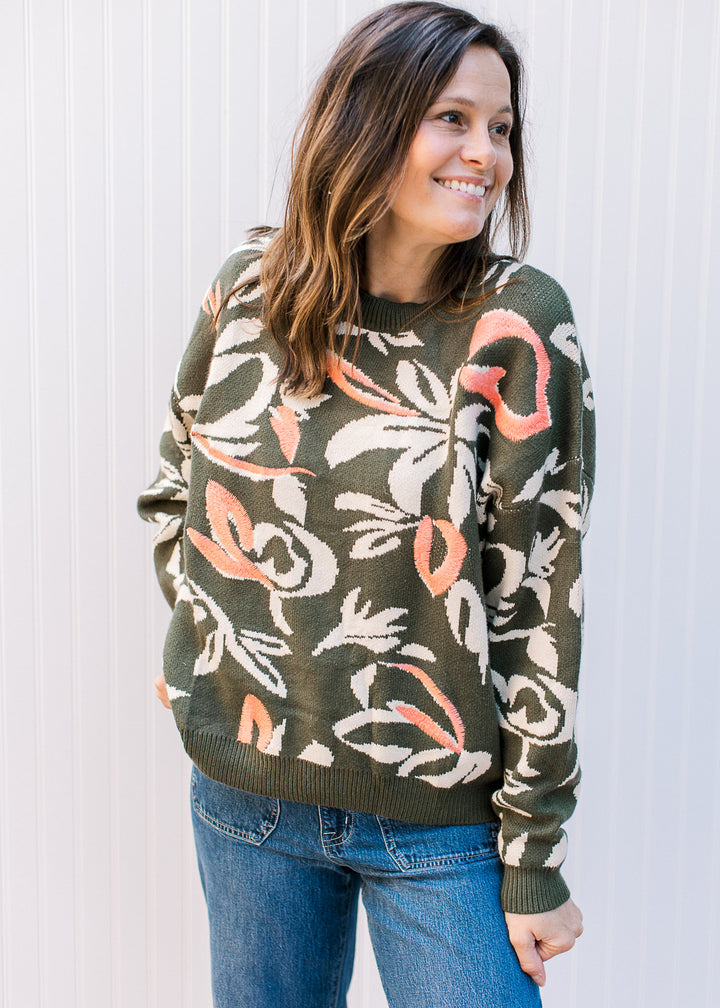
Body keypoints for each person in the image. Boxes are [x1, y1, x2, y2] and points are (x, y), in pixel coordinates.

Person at [138, 3, 595, 1006]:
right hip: (245, 798)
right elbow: (176, 487)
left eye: (502, 128)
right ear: (367, 123)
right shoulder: (248, 293)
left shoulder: (518, 325)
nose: (488, 153)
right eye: (454, 119)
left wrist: (534, 854)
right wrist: (204, 655)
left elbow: (539, 605)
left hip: (441, 825)